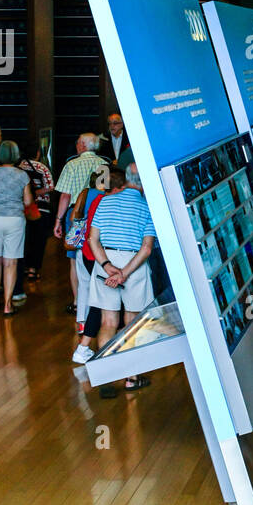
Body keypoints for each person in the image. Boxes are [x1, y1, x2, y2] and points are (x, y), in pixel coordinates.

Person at [86, 163, 156, 390]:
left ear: (126, 179)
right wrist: (123, 273)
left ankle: (107, 376)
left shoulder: (104, 202)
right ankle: (131, 377)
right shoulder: (147, 207)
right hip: (133, 266)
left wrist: (108, 267)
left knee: (108, 322)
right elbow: (146, 249)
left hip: (105, 262)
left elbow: (92, 240)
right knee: (133, 323)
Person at [53, 133, 109, 311]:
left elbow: (65, 196)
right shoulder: (104, 165)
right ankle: (98, 299)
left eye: (78, 143)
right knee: (98, 254)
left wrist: (58, 220)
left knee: (75, 259)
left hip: (75, 215)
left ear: (83, 145)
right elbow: (105, 193)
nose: (76, 146)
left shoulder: (72, 165)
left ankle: (78, 302)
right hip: (100, 213)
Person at [70, 165, 119, 364]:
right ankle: (84, 347)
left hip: (85, 251)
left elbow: (76, 215)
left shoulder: (88, 194)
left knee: (87, 291)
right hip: (98, 256)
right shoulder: (105, 199)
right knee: (101, 303)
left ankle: (82, 328)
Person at [0, 140, 33, 315]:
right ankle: (7, 305)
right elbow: (27, 201)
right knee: (10, 262)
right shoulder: (22, 175)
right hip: (14, 220)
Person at [19, 148, 54, 281]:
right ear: (37, 153)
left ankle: (23, 267)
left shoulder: (18, 167)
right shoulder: (41, 167)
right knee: (38, 240)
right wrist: (37, 193)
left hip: (22, 209)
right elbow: (50, 186)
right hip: (40, 208)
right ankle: (33, 270)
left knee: (24, 240)